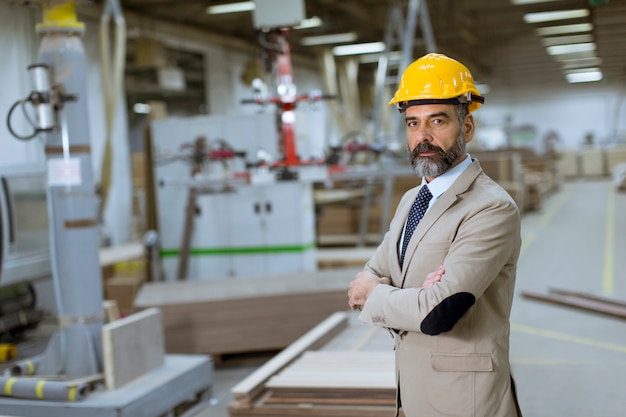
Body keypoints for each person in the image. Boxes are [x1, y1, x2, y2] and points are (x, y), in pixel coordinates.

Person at [347, 53, 523, 417]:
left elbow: (439, 313)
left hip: (465, 399)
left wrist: (385, 295)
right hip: (413, 393)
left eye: (437, 121)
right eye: (413, 123)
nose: (422, 137)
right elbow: (369, 275)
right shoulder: (413, 199)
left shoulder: (490, 208)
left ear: (467, 127)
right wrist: (412, 296)